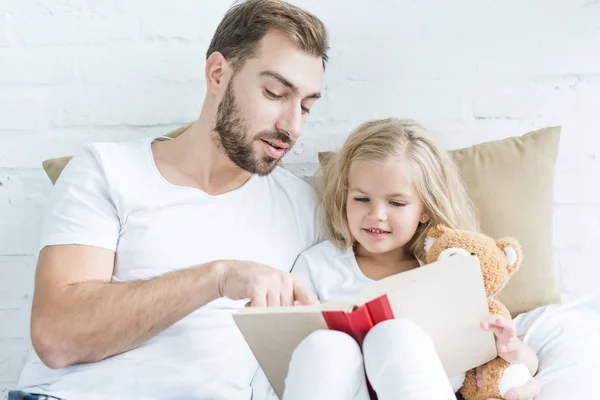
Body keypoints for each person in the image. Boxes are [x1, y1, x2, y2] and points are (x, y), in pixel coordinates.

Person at [10, 1, 328, 399]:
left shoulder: (306, 209)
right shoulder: (107, 171)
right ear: (217, 74)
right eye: (275, 93)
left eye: (306, 106)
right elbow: (57, 337)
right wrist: (218, 277)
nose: (293, 126)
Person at [283, 118, 541, 400]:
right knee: (325, 346)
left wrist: (512, 349)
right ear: (345, 196)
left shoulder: (444, 271)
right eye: (361, 199)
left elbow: (522, 365)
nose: (377, 214)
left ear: (425, 211)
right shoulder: (317, 266)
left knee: (396, 337)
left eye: (396, 203)